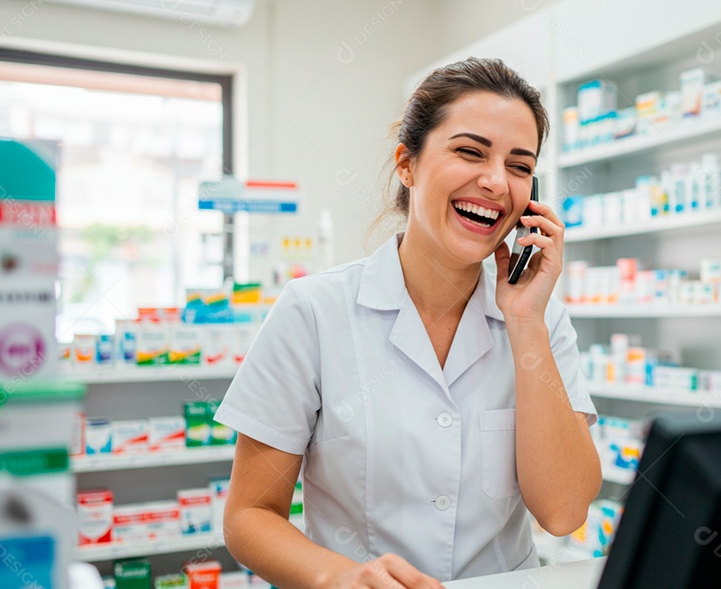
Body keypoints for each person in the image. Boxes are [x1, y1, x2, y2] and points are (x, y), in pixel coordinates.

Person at [216, 57, 601, 589]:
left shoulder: (539, 317)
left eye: (519, 165)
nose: (495, 182)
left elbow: (564, 512)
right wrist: (344, 578)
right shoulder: (314, 311)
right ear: (408, 164)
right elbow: (248, 517)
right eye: (470, 152)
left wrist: (525, 321)